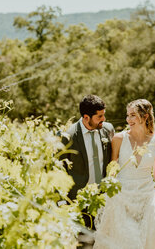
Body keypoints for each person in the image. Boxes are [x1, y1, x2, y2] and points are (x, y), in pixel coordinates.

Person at [94, 99, 155, 248]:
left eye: (133, 115)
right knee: (127, 241)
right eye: (128, 115)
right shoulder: (119, 139)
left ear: (145, 116)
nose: (128, 119)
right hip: (122, 196)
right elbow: (113, 164)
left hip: (147, 196)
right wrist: (111, 184)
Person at [60, 95, 114, 228]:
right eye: (99, 117)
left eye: (104, 115)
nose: (103, 119)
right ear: (86, 117)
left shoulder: (107, 130)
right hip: (78, 200)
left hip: (103, 199)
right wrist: (61, 202)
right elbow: (60, 170)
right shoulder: (69, 136)